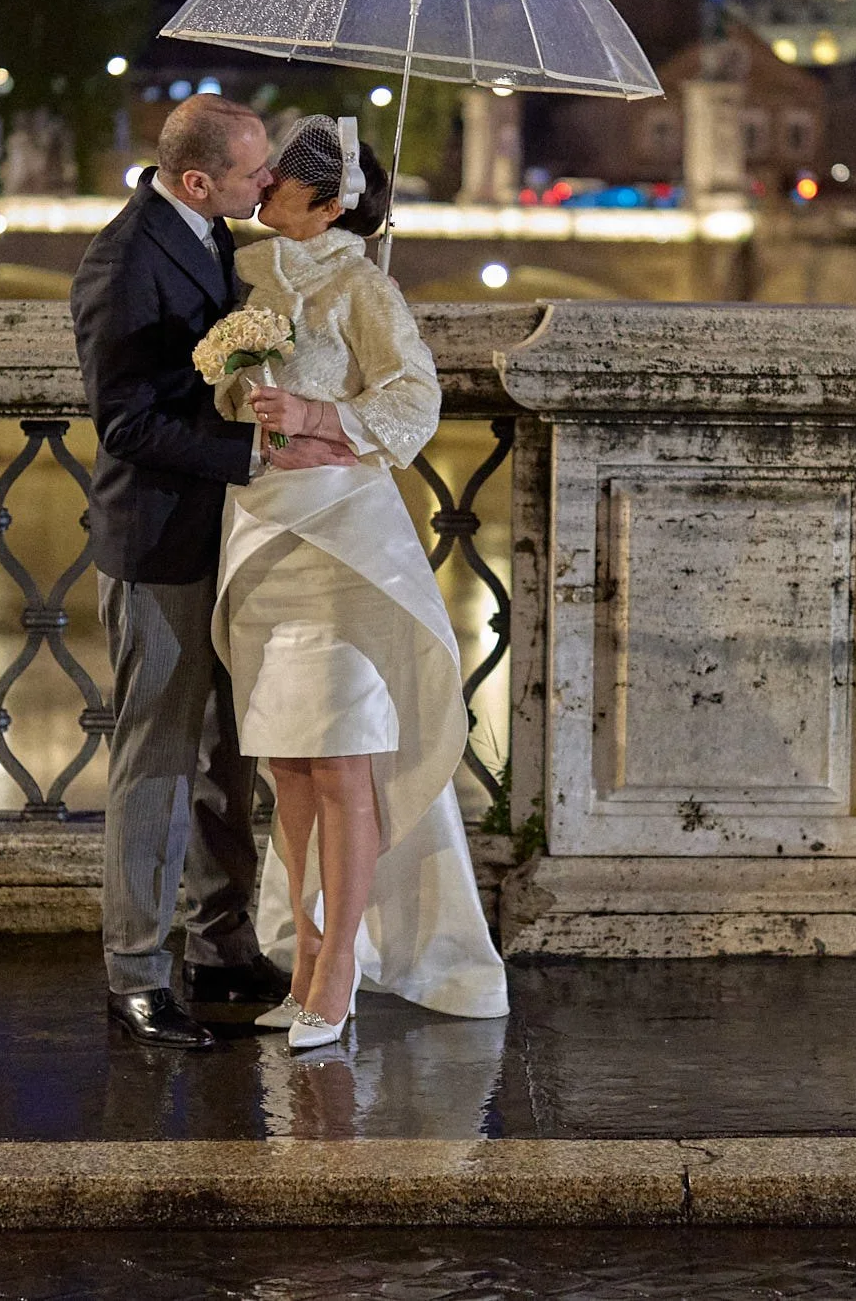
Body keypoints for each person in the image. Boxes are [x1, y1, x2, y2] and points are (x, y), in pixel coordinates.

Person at [212, 115, 510, 1051]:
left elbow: (417, 400)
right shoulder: (244, 275)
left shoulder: (364, 285)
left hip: (344, 542)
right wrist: (245, 398)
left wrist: (318, 414)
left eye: (282, 181)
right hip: (264, 536)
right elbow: (221, 388)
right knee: (289, 763)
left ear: (330, 202)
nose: (261, 189)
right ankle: (302, 959)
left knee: (341, 760)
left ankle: (340, 967)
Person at [70, 94, 357, 1050]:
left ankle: (222, 934)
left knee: (230, 749)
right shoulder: (122, 261)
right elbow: (124, 423)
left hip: (233, 541)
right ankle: (138, 973)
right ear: (201, 182)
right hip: (158, 543)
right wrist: (247, 454)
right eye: (251, 174)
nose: (266, 182)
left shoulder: (209, 239)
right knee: (156, 757)